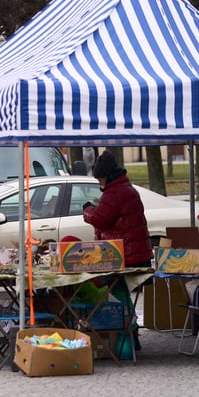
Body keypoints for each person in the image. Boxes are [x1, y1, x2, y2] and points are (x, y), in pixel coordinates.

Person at [83, 150, 152, 350]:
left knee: (119, 293)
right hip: (133, 252)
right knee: (121, 293)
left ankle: (128, 335)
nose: (99, 183)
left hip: (124, 255)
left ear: (106, 176)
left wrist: (87, 211)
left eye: (100, 178)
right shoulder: (126, 188)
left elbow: (100, 219)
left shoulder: (115, 193)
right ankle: (130, 334)